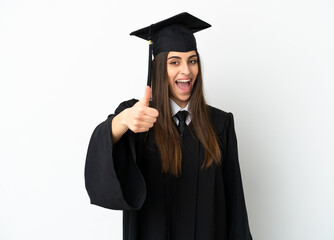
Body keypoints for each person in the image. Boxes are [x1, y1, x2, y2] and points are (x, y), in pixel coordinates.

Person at [85, 12, 253, 240]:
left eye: (192, 60)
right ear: (159, 69)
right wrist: (123, 120)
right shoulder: (139, 119)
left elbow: (235, 207)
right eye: (175, 62)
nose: (186, 70)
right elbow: (103, 163)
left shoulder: (220, 124)